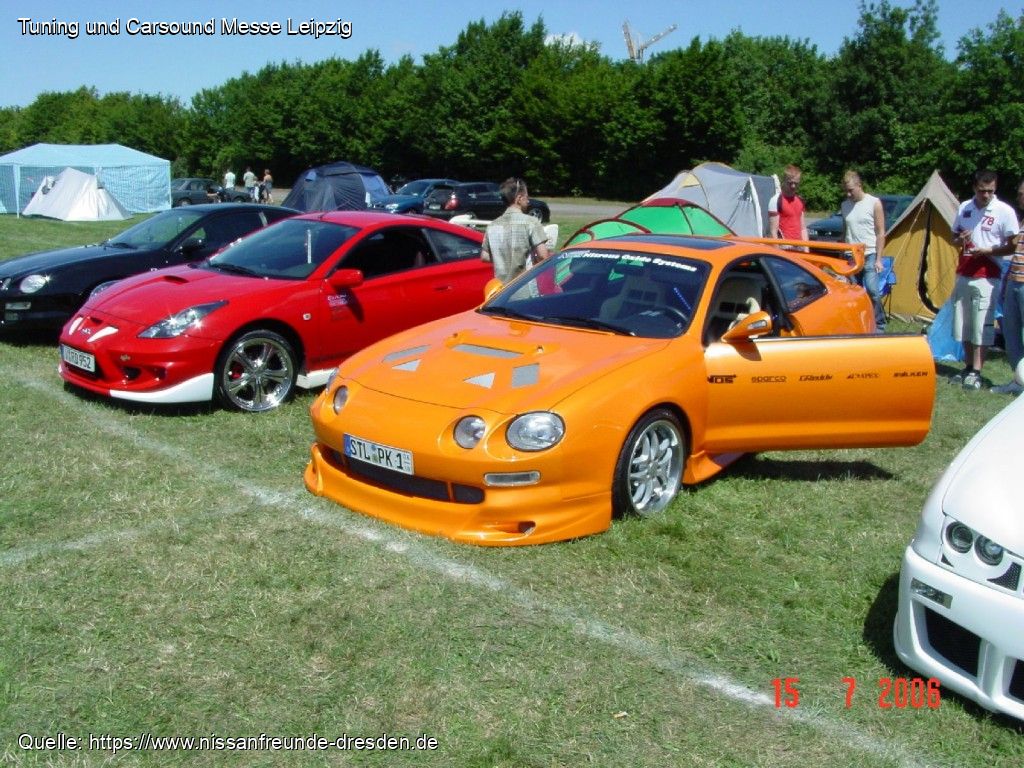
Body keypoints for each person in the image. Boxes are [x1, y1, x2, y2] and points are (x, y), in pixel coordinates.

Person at [949, 169, 1020, 390]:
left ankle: (977, 371)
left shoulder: (1004, 211)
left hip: (989, 274)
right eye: (982, 191)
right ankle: (968, 366)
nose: (986, 195)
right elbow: (953, 237)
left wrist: (988, 250)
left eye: (990, 191)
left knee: (982, 324)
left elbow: (1013, 245)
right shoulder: (965, 207)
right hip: (964, 271)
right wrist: (960, 239)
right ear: (974, 188)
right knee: (963, 323)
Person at [481, 177, 551, 285]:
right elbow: (543, 256)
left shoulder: (492, 225)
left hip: (501, 289)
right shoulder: (531, 222)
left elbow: (484, 256)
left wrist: (503, 258)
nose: (528, 201)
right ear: (519, 198)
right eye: (526, 197)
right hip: (524, 286)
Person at [841, 170, 887, 332]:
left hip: (870, 253)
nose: (848, 194)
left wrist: (879, 259)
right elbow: (845, 231)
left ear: (859, 186)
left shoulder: (874, 203)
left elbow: (880, 232)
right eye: (846, 191)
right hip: (851, 255)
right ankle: (860, 323)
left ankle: (879, 324)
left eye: (851, 190)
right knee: (855, 292)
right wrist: (842, 251)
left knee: (873, 290)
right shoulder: (845, 205)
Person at [993, 178, 1024, 395]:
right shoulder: (1021, 221)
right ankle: (1018, 379)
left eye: (1022, 194)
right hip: (1013, 280)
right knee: (1011, 332)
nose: (1019, 197)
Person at [768, 164, 808, 241]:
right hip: (784, 245)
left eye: (796, 183)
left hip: (799, 245)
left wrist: (806, 247)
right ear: (784, 181)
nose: (793, 186)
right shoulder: (776, 200)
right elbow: (773, 232)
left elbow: (803, 229)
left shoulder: (800, 200)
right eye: (790, 183)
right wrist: (778, 248)